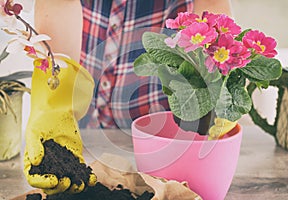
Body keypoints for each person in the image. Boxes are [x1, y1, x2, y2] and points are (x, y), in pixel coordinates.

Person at [24, 0, 232, 194]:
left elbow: (210, 6)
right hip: (85, 119)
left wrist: (213, 84)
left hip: (163, 130)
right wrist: (54, 101)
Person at [34, 0, 232, 129]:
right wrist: (54, 115)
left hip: (162, 136)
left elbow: (211, 7)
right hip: (86, 129)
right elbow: (57, 6)